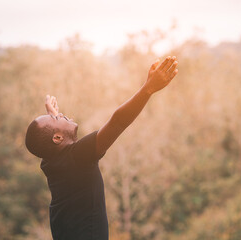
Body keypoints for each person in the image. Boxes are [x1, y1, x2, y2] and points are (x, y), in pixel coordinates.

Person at [25, 56, 179, 240]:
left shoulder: (50, 164)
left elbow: (51, 144)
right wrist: (148, 89)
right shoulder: (78, 157)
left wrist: (54, 117)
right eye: (57, 119)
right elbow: (117, 122)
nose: (62, 115)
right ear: (57, 138)